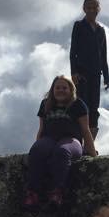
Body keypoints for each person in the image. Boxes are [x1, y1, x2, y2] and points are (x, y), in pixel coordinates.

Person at [24, 75, 97, 210]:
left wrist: (93, 155)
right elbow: (41, 128)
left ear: (71, 90)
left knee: (62, 151)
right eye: (57, 87)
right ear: (52, 90)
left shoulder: (78, 104)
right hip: (49, 139)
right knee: (37, 150)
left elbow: (85, 130)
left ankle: (57, 192)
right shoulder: (45, 104)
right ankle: (33, 193)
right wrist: (37, 148)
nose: (61, 90)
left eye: (64, 88)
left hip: (71, 140)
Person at [69, 0, 109, 139]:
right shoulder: (78, 26)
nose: (92, 10)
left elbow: (103, 55)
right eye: (89, 7)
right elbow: (73, 52)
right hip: (81, 73)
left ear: (98, 9)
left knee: (94, 108)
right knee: (82, 106)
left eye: (94, 8)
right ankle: (78, 141)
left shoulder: (101, 30)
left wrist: (106, 76)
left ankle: (90, 144)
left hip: (96, 74)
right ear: (84, 9)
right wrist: (73, 73)